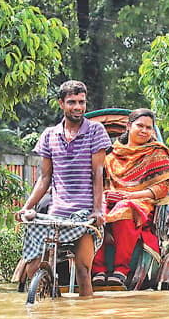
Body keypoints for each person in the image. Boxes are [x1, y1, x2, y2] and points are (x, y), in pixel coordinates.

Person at [15, 80, 110, 298]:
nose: (77, 107)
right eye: (72, 102)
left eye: (81, 102)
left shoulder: (96, 131)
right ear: (61, 103)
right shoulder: (49, 135)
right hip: (57, 211)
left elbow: (98, 174)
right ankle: (48, 300)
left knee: (83, 271)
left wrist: (97, 210)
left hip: (85, 211)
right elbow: (44, 178)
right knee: (33, 266)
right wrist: (26, 207)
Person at [91, 108, 169, 287]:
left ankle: (121, 270)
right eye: (140, 126)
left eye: (148, 128)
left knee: (125, 208)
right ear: (128, 126)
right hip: (109, 198)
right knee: (95, 209)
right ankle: (97, 270)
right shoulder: (111, 153)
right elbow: (99, 181)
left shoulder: (157, 153)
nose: (144, 131)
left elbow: (163, 186)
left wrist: (131, 195)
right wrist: (106, 195)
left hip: (140, 202)